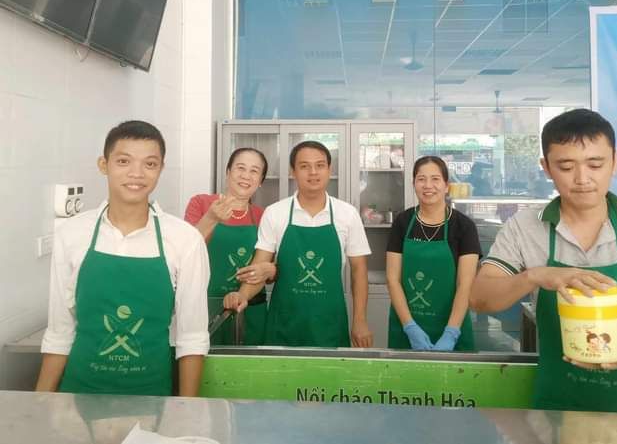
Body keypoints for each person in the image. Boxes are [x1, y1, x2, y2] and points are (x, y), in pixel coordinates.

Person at [470, 109, 617, 413]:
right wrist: (535, 276)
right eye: (566, 166)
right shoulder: (524, 227)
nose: (582, 179)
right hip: (558, 407)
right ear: (546, 167)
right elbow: (480, 298)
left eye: (595, 164)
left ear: (615, 161)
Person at [36, 121, 210, 396]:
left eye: (150, 164)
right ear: (103, 165)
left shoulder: (185, 240)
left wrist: (186, 408)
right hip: (77, 398)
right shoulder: (72, 233)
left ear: (161, 169)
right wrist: (40, 403)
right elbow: (60, 331)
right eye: (123, 161)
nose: (136, 173)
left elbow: (192, 338)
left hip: (151, 398)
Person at [223, 140, 373, 348]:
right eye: (304, 166)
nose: (313, 172)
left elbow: (359, 270)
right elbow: (259, 266)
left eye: (320, 165)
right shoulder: (275, 213)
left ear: (329, 170)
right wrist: (242, 295)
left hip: (329, 322)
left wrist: (360, 320)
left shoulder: (347, 214)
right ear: (293, 172)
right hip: (283, 323)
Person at [387, 156, 480, 351]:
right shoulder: (402, 222)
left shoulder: (464, 226)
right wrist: (410, 327)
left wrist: (451, 332)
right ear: (414, 184)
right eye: (421, 179)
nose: (428, 185)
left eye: (435, 179)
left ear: (446, 186)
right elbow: (393, 279)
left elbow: (465, 284)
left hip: (453, 325)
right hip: (406, 328)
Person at [184, 147, 274, 345]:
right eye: (240, 168)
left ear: (260, 181)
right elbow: (186, 252)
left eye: (254, 171)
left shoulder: (264, 216)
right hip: (205, 307)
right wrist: (211, 218)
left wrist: (270, 270)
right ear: (228, 172)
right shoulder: (201, 203)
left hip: (251, 310)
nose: (246, 176)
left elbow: (272, 270)